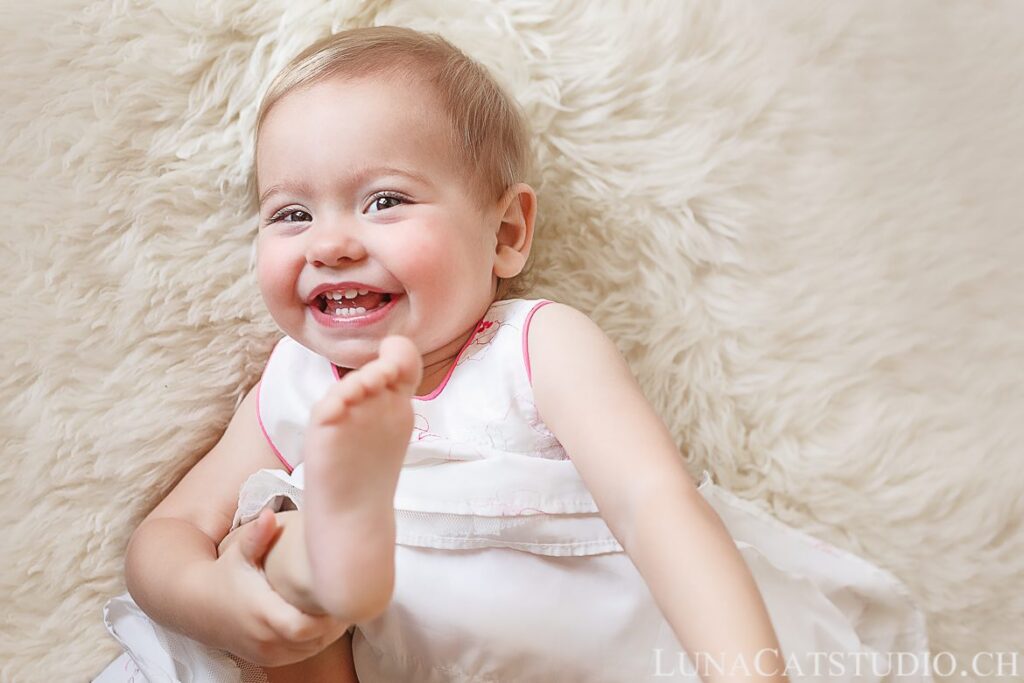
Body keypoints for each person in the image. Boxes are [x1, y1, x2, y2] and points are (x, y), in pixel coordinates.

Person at [97, 26, 933, 683]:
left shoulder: (535, 346)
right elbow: (168, 533)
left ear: (505, 233)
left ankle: (327, 553)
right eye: (291, 214)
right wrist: (214, 600)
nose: (330, 243)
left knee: (282, 517)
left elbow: (653, 502)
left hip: (591, 647)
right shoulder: (297, 382)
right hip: (376, 639)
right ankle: (323, 564)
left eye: (384, 200)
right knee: (266, 532)